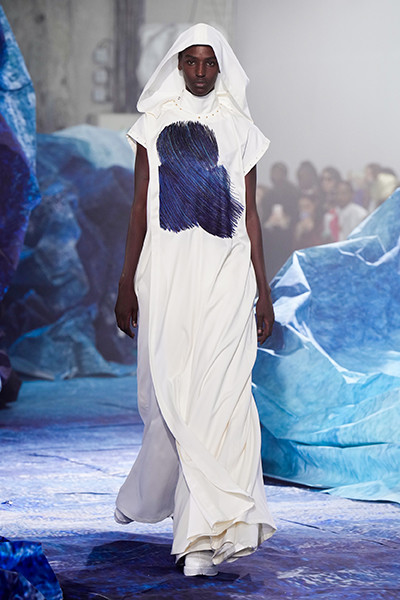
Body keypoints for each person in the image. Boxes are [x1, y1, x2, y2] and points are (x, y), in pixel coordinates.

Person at [114, 23, 276, 578]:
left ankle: (200, 540)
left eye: (210, 63)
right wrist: (125, 281)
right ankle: (161, 499)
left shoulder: (241, 129)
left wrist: (263, 290)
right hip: (167, 278)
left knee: (222, 400)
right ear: (178, 64)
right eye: (192, 62)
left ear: (220, 67)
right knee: (173, 399)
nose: (201, 72)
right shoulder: (152, 124)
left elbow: (249, 214)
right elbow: (140, 206)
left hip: (227, 279)